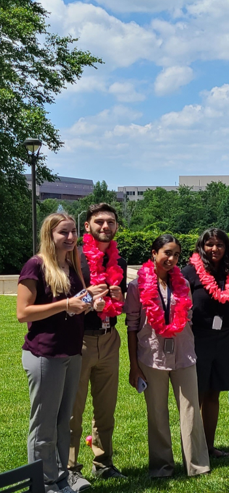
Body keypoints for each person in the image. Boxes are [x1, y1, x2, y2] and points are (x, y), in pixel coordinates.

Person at [18, 213, 98, 493]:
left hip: (72, 352)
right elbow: (23, 312)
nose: (71, 237)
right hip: (45, 355)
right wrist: (66, 304)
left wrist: (90, 298)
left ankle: (61, 476)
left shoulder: (71, 264)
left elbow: (76, 301)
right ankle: (44, 483)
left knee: (64, 421)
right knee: (44, 424)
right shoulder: (36, 266)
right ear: (49, 235)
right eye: (63, 232)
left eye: (73, 231)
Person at [125, 234, 210, 478]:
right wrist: (134, 365)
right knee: (157, 412)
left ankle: (197, 464)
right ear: (154, 252)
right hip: (151, 356)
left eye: (176, 254)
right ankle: (162, 467)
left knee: (191, 409)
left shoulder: (182, 283)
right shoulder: (136, 286)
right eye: (166, 253)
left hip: (184, 354)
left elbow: (189, 317)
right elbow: (131, 326)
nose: (171, 258)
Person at [68, 203, 127, 491]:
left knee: (105, 408)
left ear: (117, 227)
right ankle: (69, 468)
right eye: (99, 222)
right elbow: (65, 300)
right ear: (87, 225)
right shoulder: (74, 259)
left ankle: (103, 463)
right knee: (73, 410)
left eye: (111, 222)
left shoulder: (120, 262)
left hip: (109, 338)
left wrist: (118, 300)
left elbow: (119, 305)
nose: (105, 226)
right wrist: (90, 302)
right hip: (79, 340)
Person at [181, 229, 229, 458]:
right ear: (201, 246)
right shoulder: (188, 273)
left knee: (213, 393)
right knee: (195, 393)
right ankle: (193, 449)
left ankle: (208, 446)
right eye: (209, 244)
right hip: (199, 337)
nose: (214, 249)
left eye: (219, 244)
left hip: (227, 338)